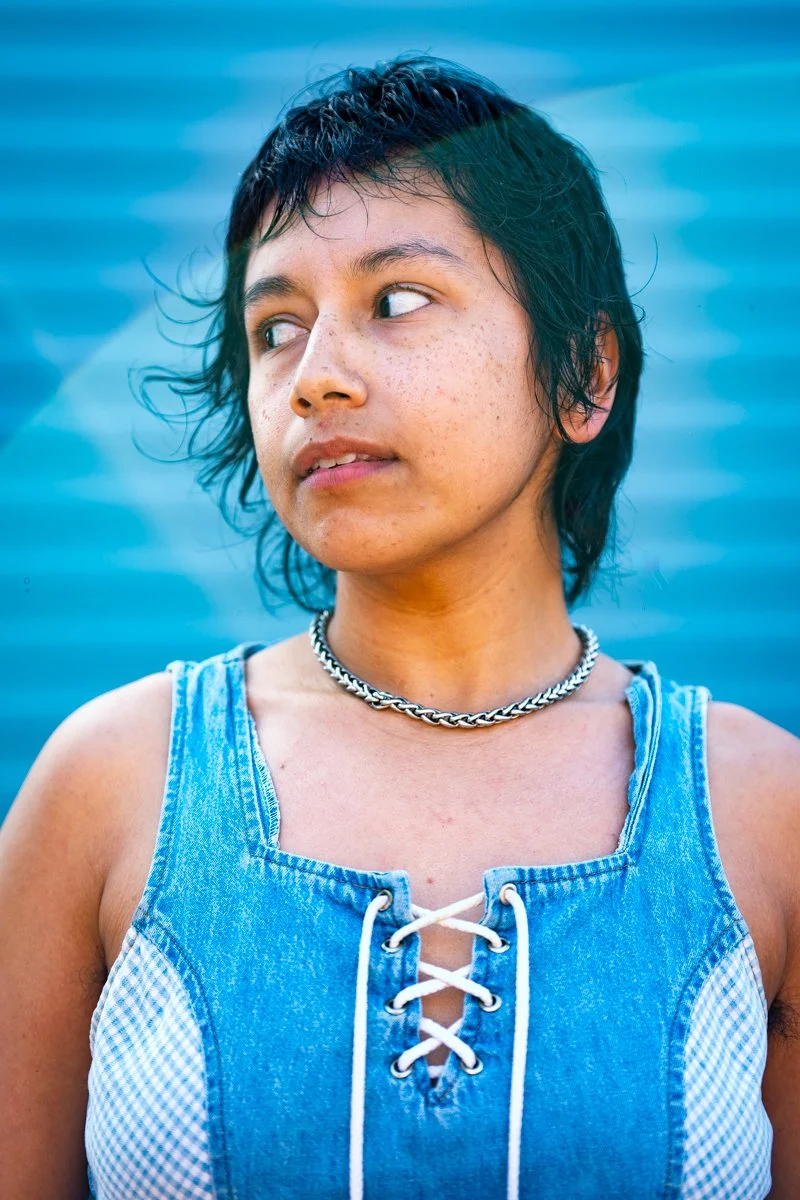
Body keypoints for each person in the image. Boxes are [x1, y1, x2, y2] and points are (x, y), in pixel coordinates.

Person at [1, 54, 798, 1200]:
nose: (312, 377)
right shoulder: (107, 785)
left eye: (397, 301)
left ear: (582, 374)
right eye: (274, 325)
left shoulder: (763, 817)